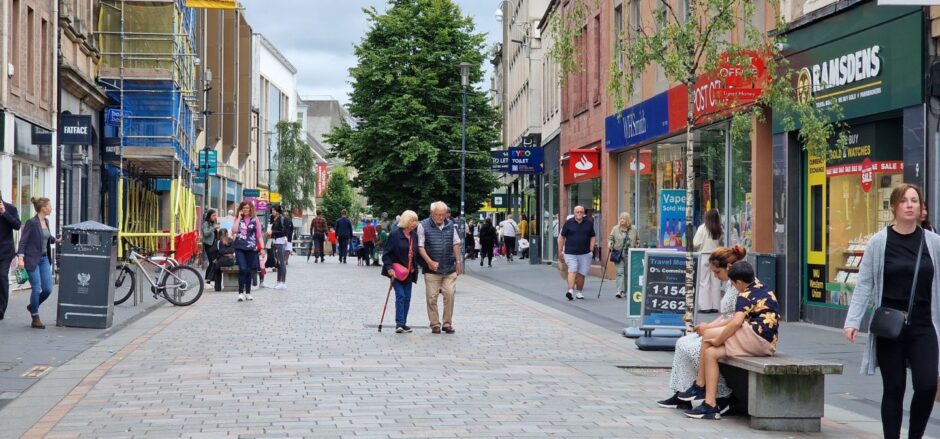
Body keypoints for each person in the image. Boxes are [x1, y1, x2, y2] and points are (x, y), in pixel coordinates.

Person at [845, 183, 940, 439]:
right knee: (894, 387)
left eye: (915, 200)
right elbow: (865, 283)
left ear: (921, 208)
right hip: (891, 326)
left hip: (924, 325)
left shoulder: (933, 243)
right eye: (905, 200)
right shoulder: (879, 242)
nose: (910, 205)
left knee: (928, 384)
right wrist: (852, 321)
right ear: (895, 207)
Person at [682, 261, 779, 420]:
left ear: (739, 282)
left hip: (756, 337)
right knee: (711, 353)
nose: (734, 287)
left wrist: (718, 339)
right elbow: (736, 320)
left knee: (708, 337)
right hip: (765, 342)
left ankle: (700, 385)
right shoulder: (763, 289)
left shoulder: (745, 295)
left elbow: (736, 322)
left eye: (733, 284)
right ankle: (710, 404)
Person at [657, 246, 746, 414]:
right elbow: (726, 315)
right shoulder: (729, 284)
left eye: (717, 272)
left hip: (736, 332)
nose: (715, 276)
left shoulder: (738, 284)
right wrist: (708, 326)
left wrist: (709, 327)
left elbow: (735, 319)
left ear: (728, 267)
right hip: (725, 328)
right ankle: (682, 392)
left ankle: (721, 394)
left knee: (698, 349)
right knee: (683, 342)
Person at [418, 201, 462, 334]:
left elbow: (456, 244)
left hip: (449, 268)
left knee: (449, 294)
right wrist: (429, 262)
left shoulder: (450, 225)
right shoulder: (423, 225)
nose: (440, 217)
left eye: (442, 214)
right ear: (431, 213)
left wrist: (458, 262)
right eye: (437, 214)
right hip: (432, 270)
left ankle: (447, 324)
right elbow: (420, 246)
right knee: (431, 297)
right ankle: (435, 324)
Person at [16, 197, 57, 329]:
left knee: (47, 289)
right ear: (43, 208)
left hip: (44, 259)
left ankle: (32, 305)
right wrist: (20, 258)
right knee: (36, 287)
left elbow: (47, 237)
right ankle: (35, 316)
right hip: (32, 259)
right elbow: (23, 241)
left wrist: (57, 240)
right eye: (49, 206)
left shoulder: (46, 221)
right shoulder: (32, 223)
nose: (51, 208)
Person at [383, 210, 421, 334]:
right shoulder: (394, 235)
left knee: (407, 298)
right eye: (412, 221)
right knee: (401, 296)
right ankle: (399, 323)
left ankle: (403, 323)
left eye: (415, 221)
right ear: (405, 221)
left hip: (409, 272)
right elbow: (386, 254)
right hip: (396, 272)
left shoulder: (414, 236)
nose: (414, 223)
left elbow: (417, 254)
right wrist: (389, 268)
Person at [558, 205, 595, 300]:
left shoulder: (589, 223)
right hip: (570, 252)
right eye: (577, 212)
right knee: (572, 270)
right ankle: (570, 290)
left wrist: (591, 248)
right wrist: (560, 250)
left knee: (581, 273)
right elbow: (562, 237)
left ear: (584, 213)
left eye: (581, 212)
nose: (579, 213)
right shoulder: (568, 223)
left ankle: (579, 292)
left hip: (585, 253)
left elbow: (593, 236)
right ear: (574, 213)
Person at [233, 200, 265, 302]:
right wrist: (238, 218)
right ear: (241, 209)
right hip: (240, 247)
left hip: (252, 248)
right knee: (242, 269)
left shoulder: (255, 220)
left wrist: (262, 248)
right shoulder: (238, 219)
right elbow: (234, 230)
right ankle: (240, 293)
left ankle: (248, 293)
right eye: (244, 208)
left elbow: (259, 235)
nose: (245, 210)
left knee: (248, 270)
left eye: (247, 208)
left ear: (251, 209)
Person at [694, 209, 724, 312]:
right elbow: (720, 240)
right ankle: (715, 306)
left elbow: (695, 243)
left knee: (704, 281)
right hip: (716, 256)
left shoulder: (702, 228)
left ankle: (705, 306)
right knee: (715, 281)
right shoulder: (719, 229)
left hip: (704, 256)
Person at [0, 190, 21, 320]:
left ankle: (1, 309)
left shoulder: (10, 209)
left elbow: (17, 225)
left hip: (5, 251)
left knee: (2, 276)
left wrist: (4, 213)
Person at [608, 212, 639, 299]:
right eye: (620, 218)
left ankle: (626, 291)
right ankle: (619, 291)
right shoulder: (615, 228)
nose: (621, 220)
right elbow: (611, 238)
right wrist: (610, 244)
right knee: (619, 272)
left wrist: (637, 244)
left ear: (628, 220)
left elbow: (637, 239)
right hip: (618, 253)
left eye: (624, 219)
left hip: (629, 253)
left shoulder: (634, 229)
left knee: (627, 273)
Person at [267, 205, 288, 289]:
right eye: (272, 210)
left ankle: (283, 282)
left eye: (273, 210)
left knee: (281, 262)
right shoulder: (274, 219)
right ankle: (278, 281)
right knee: (278, 263)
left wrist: (272, 233)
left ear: (278, 211)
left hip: (280, 241)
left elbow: (283, 231)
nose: (272, 212)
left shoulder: (281, 219)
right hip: (276, 241)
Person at [201, 209, 220, 284]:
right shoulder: (206, 224)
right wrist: (213, 228)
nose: (215, 217)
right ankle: (207, 280)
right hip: (208, 245)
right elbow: (205, 233)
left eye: (215, 215)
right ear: (209, 216)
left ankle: (211, 280)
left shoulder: (213, 224)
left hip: (214, 245)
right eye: (213, 215)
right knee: (212, 262)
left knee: (215, 262)